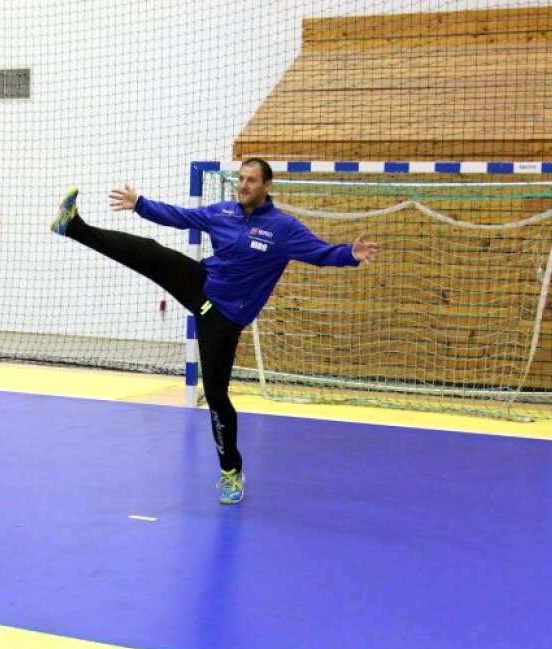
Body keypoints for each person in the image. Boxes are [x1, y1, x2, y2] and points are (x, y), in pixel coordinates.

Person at [50, 157, 377, 504]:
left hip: (224, 319)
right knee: (148, 251)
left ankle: (231, 473)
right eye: (242, 178)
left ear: (267, 186)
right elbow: (181, 217)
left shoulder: (283, 229)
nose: (243, 185)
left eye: (251, 180)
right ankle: (73, 227)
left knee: (217, 397)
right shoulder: (223, 212)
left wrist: (350, 254)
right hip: (201, 284)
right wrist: (140, 204)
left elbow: (320, 253)